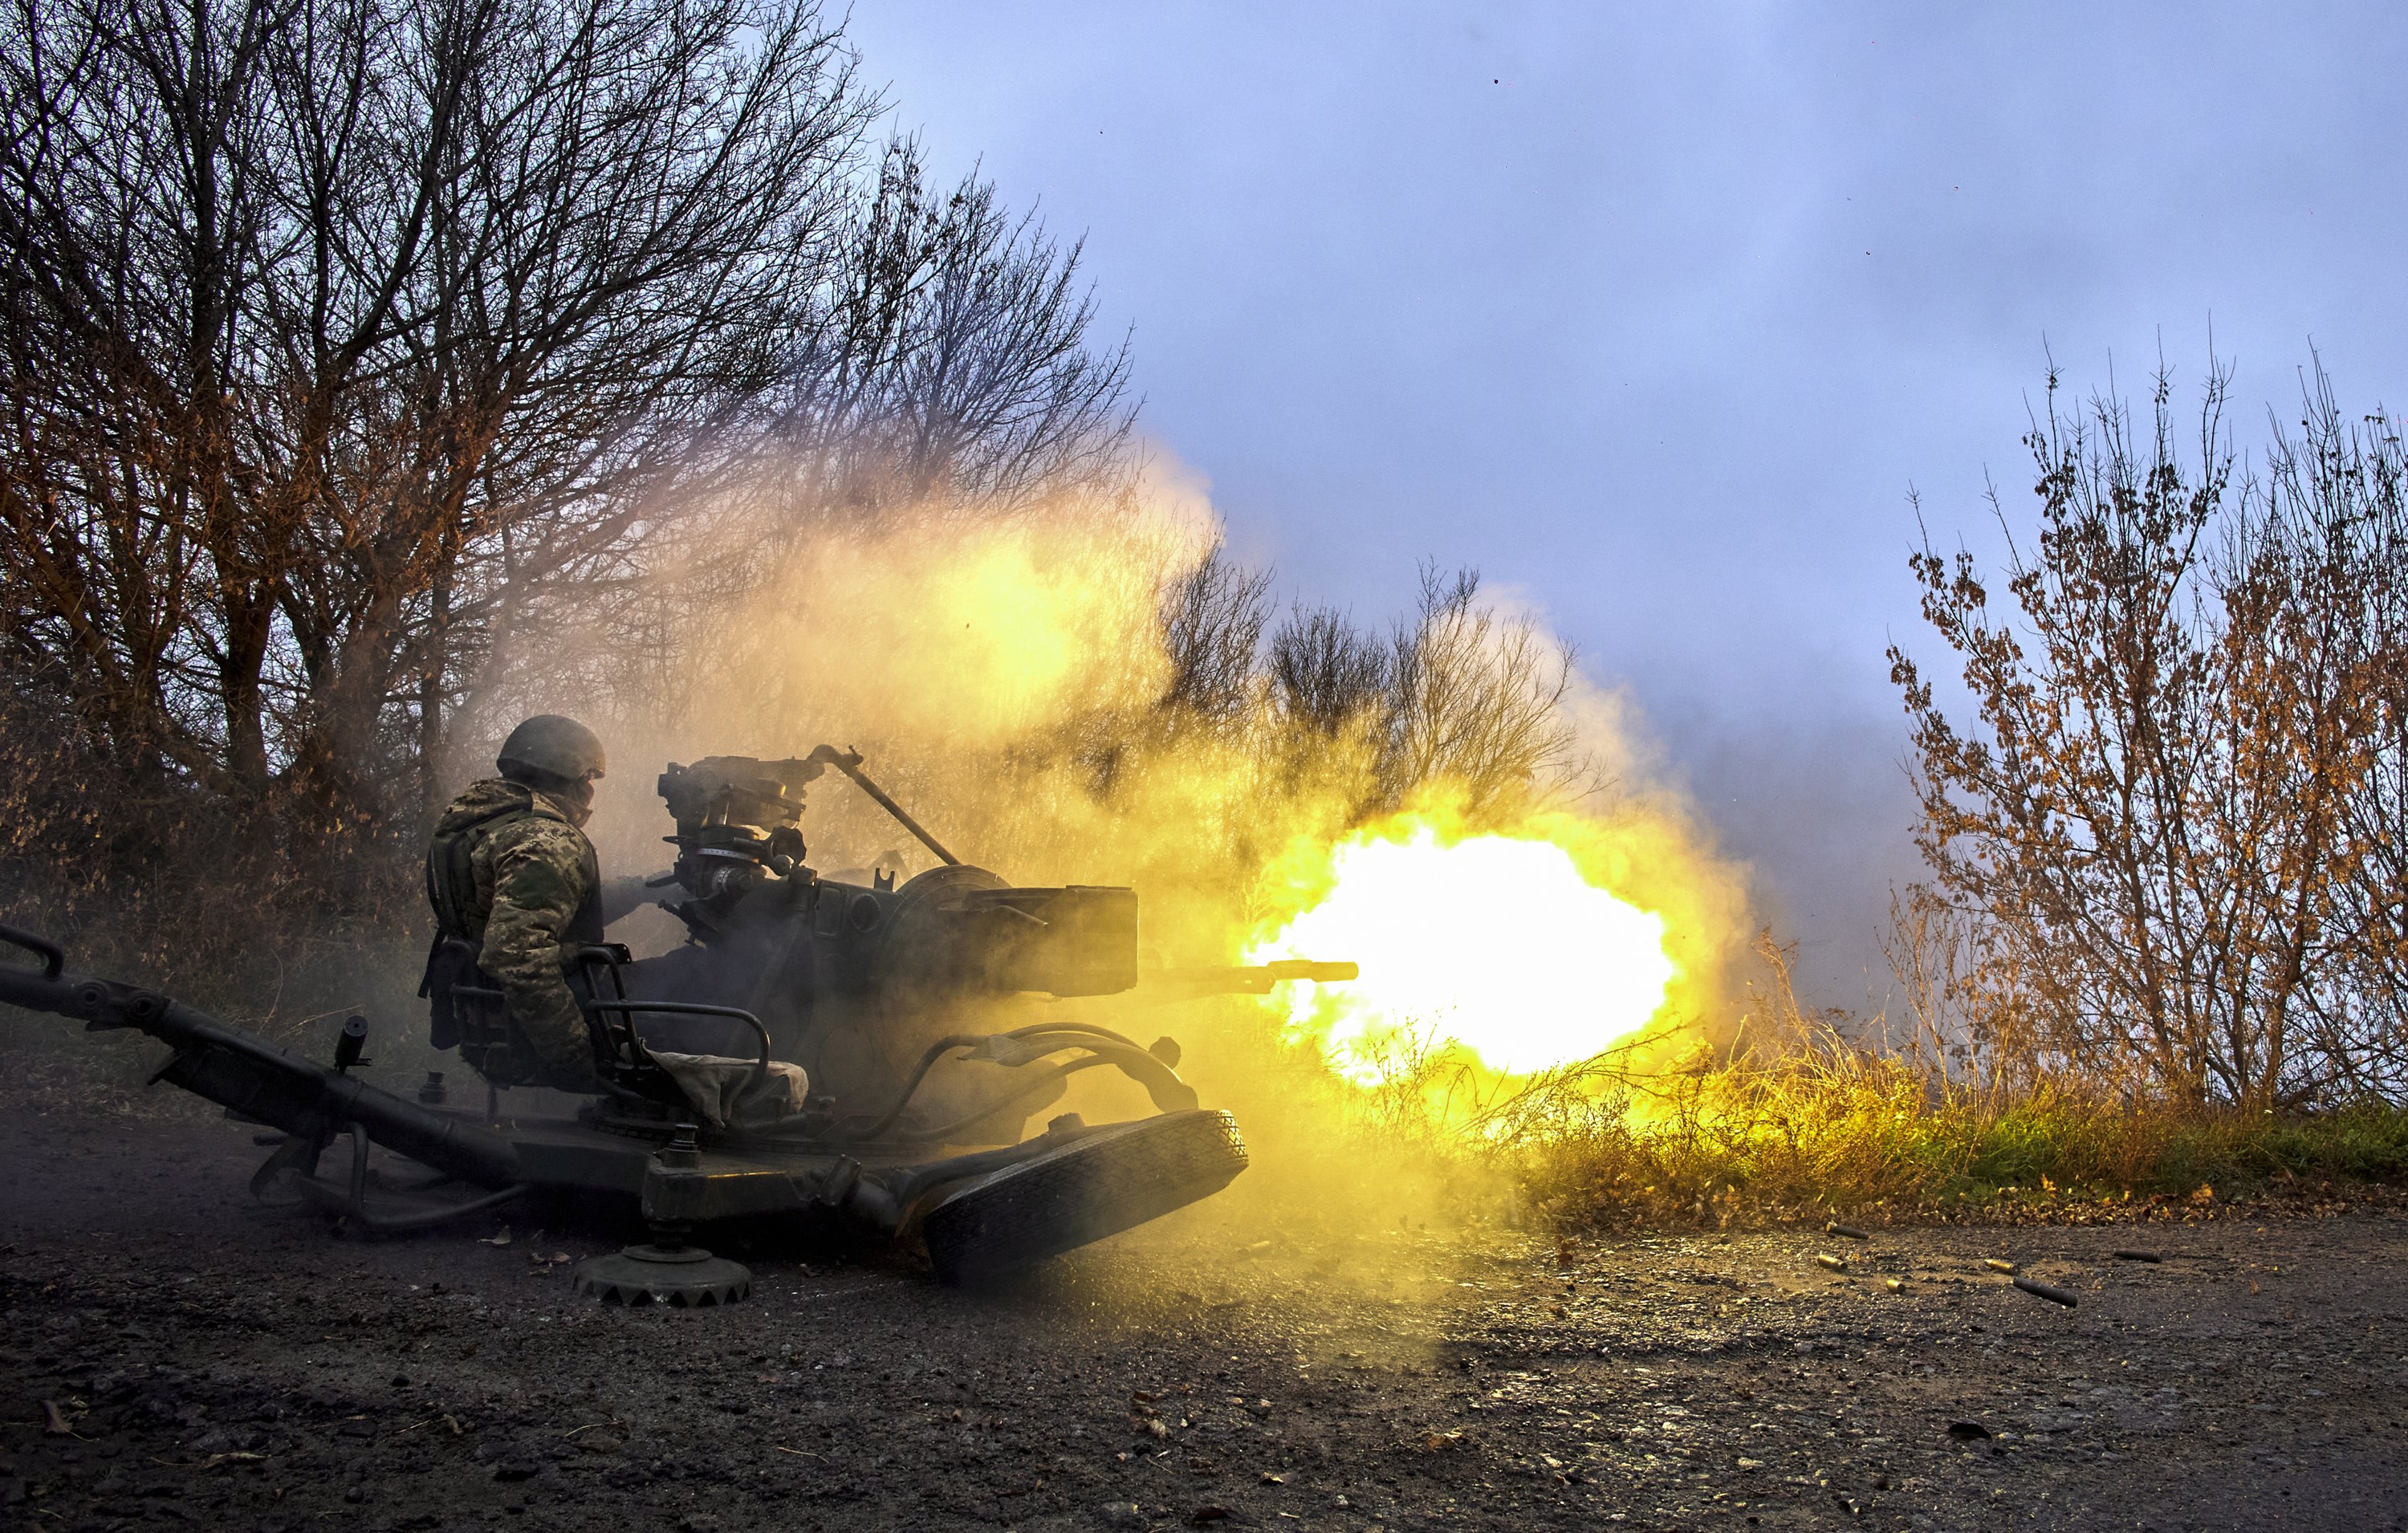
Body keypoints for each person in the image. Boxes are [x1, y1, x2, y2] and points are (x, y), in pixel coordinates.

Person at [422, 714, 611, 1092]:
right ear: (573, 778)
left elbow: (516, 903)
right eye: (590, 777)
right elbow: (519, 956)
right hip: (528, 1022)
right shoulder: (546, 840)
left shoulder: (488, 824)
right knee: (688, 980)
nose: (592, 788)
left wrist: (642, 891)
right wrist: (576, 1059)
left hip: (487, 1009)